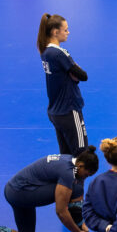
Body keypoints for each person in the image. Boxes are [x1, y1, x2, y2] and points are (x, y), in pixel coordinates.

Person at [38, 13, 89, 155]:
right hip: (69, 110)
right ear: (55, 32)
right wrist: (74, 70)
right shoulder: (60, 53)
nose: (68, 32)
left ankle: (66, 178)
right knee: (82, 156)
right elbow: (83, 76)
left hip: (56, 112)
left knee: (65, 157)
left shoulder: (45, 52)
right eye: (65, 30)